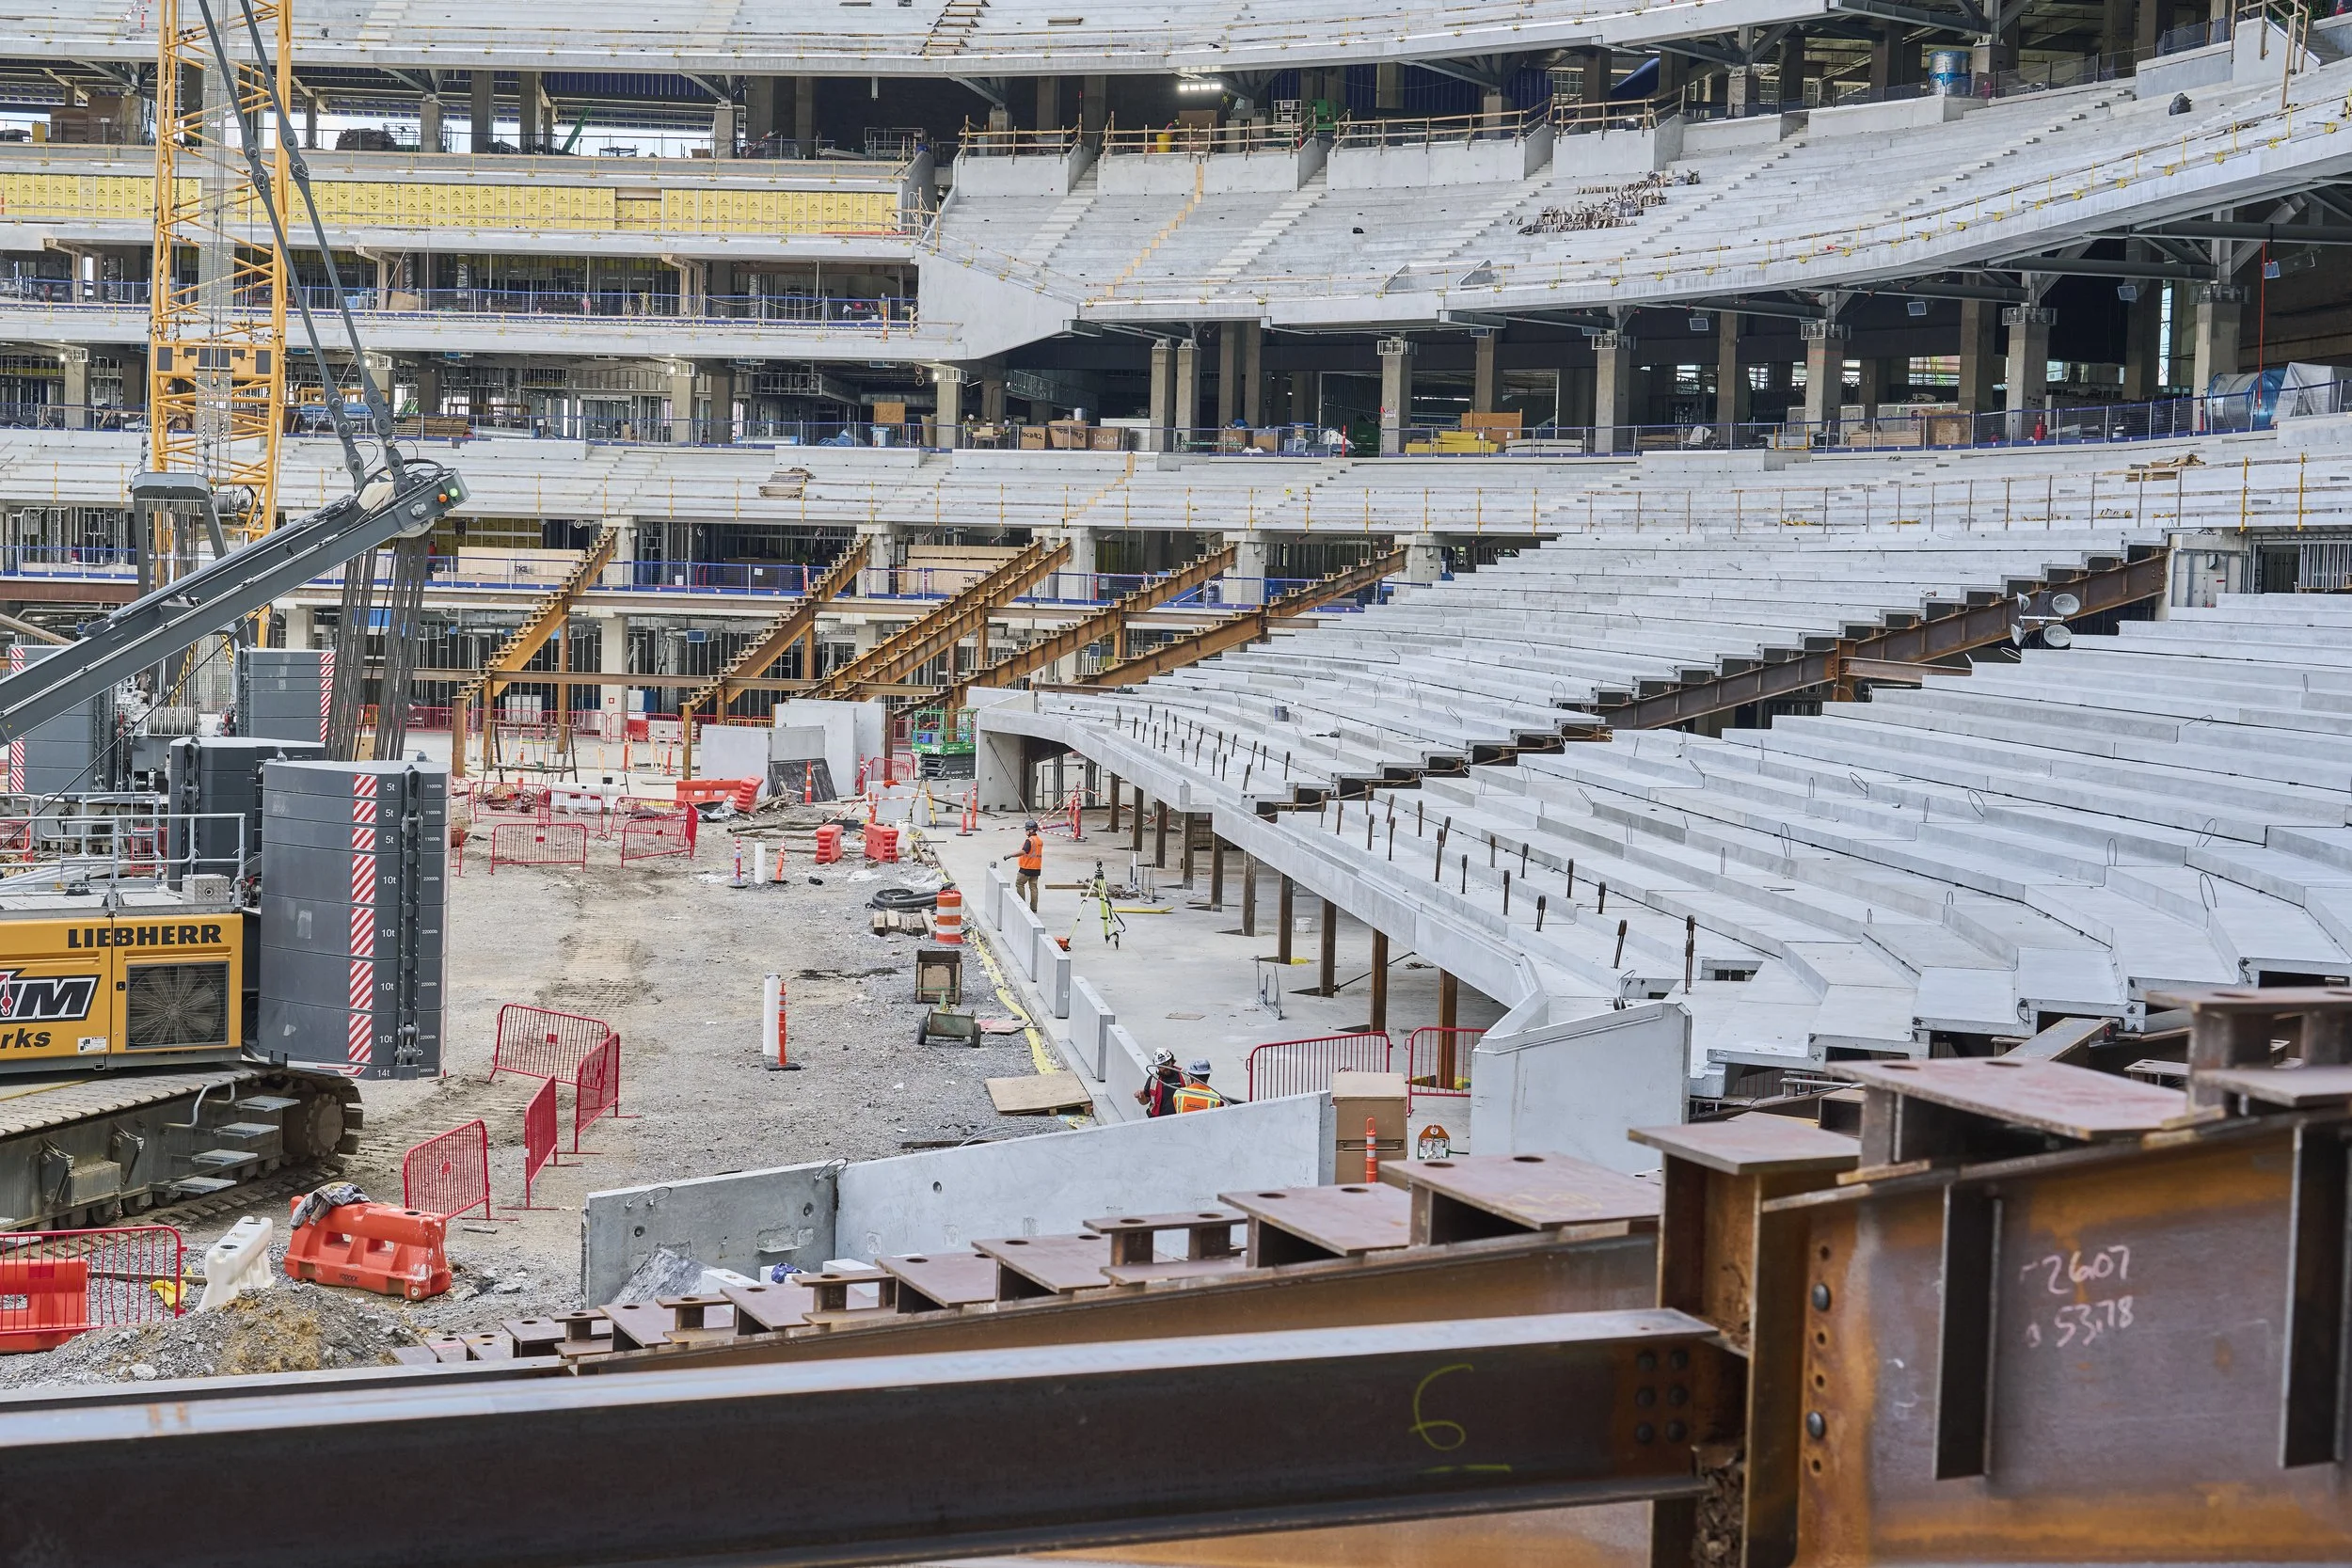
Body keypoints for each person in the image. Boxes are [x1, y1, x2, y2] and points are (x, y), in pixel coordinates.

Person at [999, 818, 1045, 911]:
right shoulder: (1039, 840)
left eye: (1027, 830)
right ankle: (1034, 908)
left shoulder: (1030, 840)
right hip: (1036, 868)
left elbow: (1024, 851)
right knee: (1033, 887)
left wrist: (1010, 855)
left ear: (1031, 830)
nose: (1026, 831)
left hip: (1026, 867)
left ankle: (1021, 906)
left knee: (1019, 884)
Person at [1135, 1049, 1184, 1117]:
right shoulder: (1153, 1080)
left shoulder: (1184, 1076)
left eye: (1167, 1063)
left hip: (1180, 1117)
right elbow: (1145, 1101)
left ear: (1172, 1061)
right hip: (1159, 1119)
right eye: (1161, 1065)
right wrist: (1140, 1096)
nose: (1164, 1067)